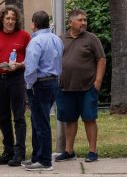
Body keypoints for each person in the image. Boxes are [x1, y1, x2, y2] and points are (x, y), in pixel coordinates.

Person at [0, 5, 32, 167]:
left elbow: (31, 59)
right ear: (1, 19)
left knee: (19, 116)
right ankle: (8, 151)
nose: (10, 21)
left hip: (16, 78)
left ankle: (19, 153)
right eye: (7, 18)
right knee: (3, 117)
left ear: (17, 21)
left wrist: (19, 65)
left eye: (13, 19)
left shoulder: (24, 36)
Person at [55, 9, 105, 163]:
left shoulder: (91, 39)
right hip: (66, 88)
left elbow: (101, 59)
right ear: (70, 22)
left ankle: (92, 151)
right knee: (70, 120)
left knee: (89, 119)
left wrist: (97, 82)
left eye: (85, 20)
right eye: (80, 20)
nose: (84, 23)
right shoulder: (61, 39)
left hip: (87, 87)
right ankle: (69, 151)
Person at [23, 11, 63, 171]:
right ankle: (36, 156)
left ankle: (45, 160)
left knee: (41, 123)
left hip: (39, 84)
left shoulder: (35, 41)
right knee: (37, 120)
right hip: (53, 81)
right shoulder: (56, 39)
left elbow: (31, 67)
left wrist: (28, 84)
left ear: (34, 24)